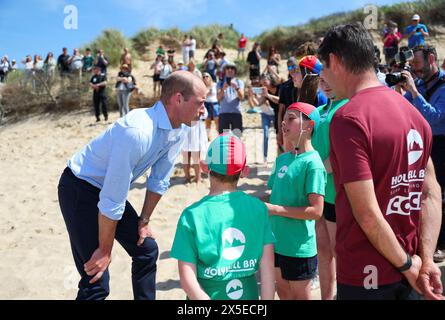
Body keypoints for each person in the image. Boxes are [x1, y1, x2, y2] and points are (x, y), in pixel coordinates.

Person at [318, 23, 443, 300]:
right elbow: (430, 193)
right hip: (413, 266)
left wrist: (409, 267)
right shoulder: (415, 116)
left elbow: (367, 214)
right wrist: (426, 260)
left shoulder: (349, 119)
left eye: (323, 68)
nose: (323, 78)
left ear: (335, 61)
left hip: (367, 274)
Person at [58, 71, 207, 300]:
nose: (203, 110)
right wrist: (105, 251)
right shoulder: (138, 131)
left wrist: (143, 221)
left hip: (106, 191)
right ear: (178, 99)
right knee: (97, 278)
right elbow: (111, 201)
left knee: (146, 250)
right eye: (200, 103)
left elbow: (159, 179)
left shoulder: (182, 128)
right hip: (79, 188)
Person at [171, 133, 276, 300]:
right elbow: (268, 271)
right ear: (245, 171)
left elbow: (187, 279)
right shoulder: (258, 209)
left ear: (205, 167)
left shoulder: (191, 215)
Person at [265, 102, 326, 300]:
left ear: (308, 126)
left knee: (300, 296)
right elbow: (273, 195)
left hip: (299, 247)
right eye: (284, 119)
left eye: (291, 118)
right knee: (282, 291)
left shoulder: (313, 164)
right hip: (275, 241)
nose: (284, 122)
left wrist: (275, 209)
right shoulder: (282, 159)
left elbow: (316, 211)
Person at [401, 44, 445, 264]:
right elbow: (403, 110)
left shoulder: (444, 85)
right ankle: (427, 242)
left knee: (440, 195)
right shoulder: (416, 84)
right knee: (421, 194)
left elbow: (436, 117)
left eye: (417, 64)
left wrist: (415, 93)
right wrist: (402, 92)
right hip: (420, 144)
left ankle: (440, 244)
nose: (415, 69)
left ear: (431, 59)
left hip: (441, 145)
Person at [311, 71, 349, 300]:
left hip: (336, 192)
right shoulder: (319, 111)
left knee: (339, 252)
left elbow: (342, 154)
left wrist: (314, 174)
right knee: (323, 252)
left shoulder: (347, 107)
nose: (324, 85)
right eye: (321, 81)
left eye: (328, 79)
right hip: (318, 193)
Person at [181, 105, 208, 185]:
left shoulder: (182, 101)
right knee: (193, 157)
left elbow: (204, 115)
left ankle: (189, 178)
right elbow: (205, 115)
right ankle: (196, 179)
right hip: (192, 129)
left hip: (187, 128)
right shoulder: (199, 103)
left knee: (188, 157)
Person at [217, 63, 245, 137]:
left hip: (236, 113)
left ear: (235, 71)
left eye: (232, 68)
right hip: (224, 114)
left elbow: (242, 97)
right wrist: (223, 89)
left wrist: (236, 88)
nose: (230, 70)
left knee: (237, 138)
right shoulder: (220, 82)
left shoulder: (239, 82)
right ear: (225, 70)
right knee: (223, 138)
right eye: (228, 68)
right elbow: (218, 98)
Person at [203, 72, 219, 140]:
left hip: (215, 103)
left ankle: (219, 136)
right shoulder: (202, 87)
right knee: (207, 121)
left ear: (210, 77)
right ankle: (207, 136)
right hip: (207, 104)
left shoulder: (215, 85)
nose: (205, 78)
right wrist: (207, 93)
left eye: (207, 76)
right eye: (203, 77)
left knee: (217, 121)